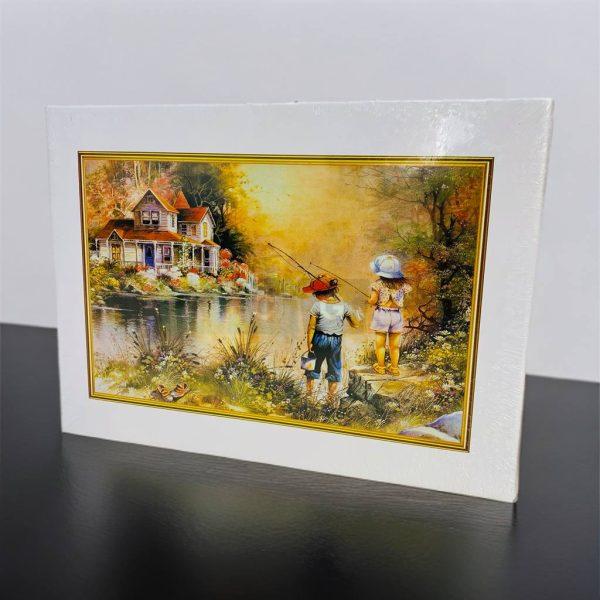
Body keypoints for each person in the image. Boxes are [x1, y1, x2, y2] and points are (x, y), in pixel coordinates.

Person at [303, 275, 360, 402]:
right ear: (334, 291)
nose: (314, 296)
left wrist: (309, 343)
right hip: (336, 341)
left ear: (319, 294)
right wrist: (346, 307)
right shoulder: (344, 306)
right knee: (334, 368)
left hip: (318, 338)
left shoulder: (317, 306)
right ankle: (331, 399)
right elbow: (355, 325)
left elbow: (311, 327)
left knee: (310, 366)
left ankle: (309, 396)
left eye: (315, 293)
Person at [367, 254, 412, 376]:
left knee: (380, 344)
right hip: (396, 315)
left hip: (382, 314)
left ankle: (381, 367)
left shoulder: (378, 284)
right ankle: (394, 368)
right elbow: (402, 298)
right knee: (395, 346)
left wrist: (369, 301)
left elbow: (373, 301)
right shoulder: (403, 285)